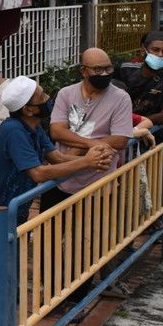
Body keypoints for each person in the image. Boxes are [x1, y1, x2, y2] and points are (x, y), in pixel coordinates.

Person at [0, 79, 114, 326]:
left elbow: (56, 157)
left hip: (12, 218)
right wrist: (87, 162)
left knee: (6, 285)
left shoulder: (33, 128)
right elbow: (40, 174)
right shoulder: (13, 131)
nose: (48, 98)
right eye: (42, 96)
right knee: (0, 287)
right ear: (30, 109)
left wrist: (92, 150)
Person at [46, 48, 133, 213]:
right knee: (47, 236)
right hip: (61, 179)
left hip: (98, 183)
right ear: (84, 71)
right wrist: (92, 143)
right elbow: (57, 131)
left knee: (94, 236)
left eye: (108, 68)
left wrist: (78, 147)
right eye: (98, 69)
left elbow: (120, 139)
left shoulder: (121, 98)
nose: (104, 73)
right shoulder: (66, 94)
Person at [117, 31, 163, 128]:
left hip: (153, 134)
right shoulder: (126, 69)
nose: (160, 54)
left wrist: (138, 123)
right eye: (155, 50)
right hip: (120, 128)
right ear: (143, 51)